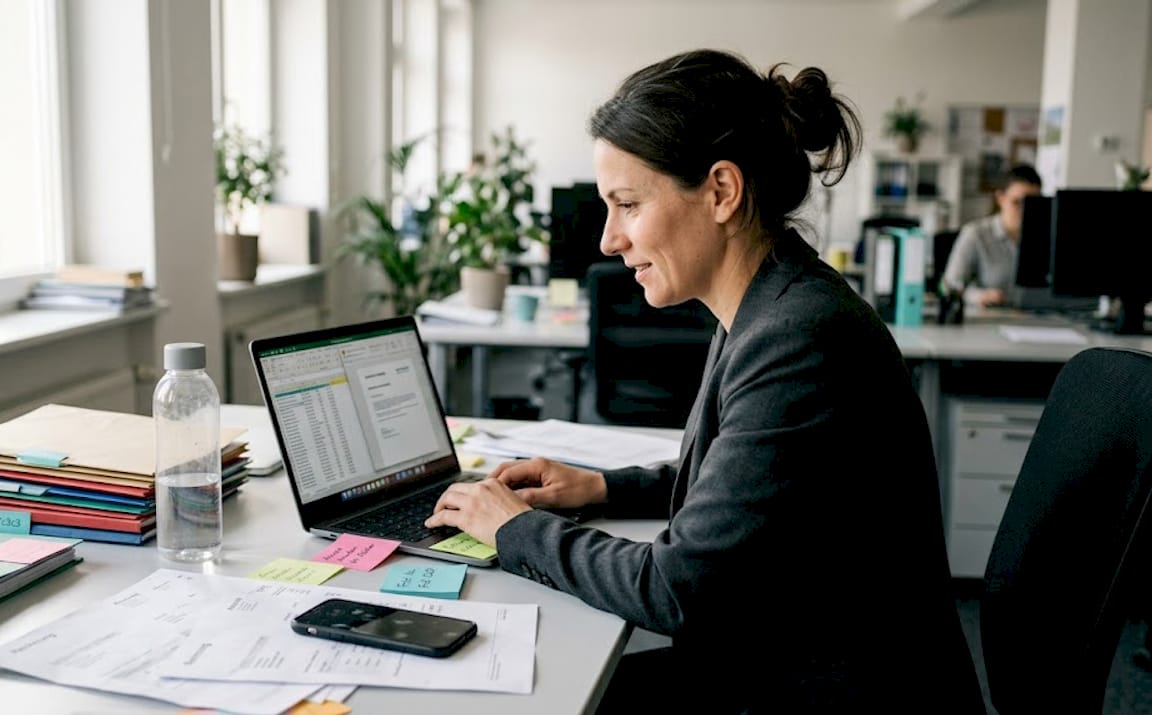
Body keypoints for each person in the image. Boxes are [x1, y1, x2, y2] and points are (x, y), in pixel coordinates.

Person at [425, 49, 983, 713]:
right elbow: (749, 486)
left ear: (721, 191)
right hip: (789, 659)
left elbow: (677, 588)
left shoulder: (798, 334)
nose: (609, 239)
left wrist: (513, 529)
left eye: (628, 204)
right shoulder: (769, 301)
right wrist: (603, 486)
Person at [941, 164, 1043, 308]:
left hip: (1040, 319)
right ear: (1001, 198)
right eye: (1016, 202)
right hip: (991, 318)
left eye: (1033, 203)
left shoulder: (1047, 237)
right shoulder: (976, 234)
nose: (1025, 211)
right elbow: (950, 285)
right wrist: (979, 296)